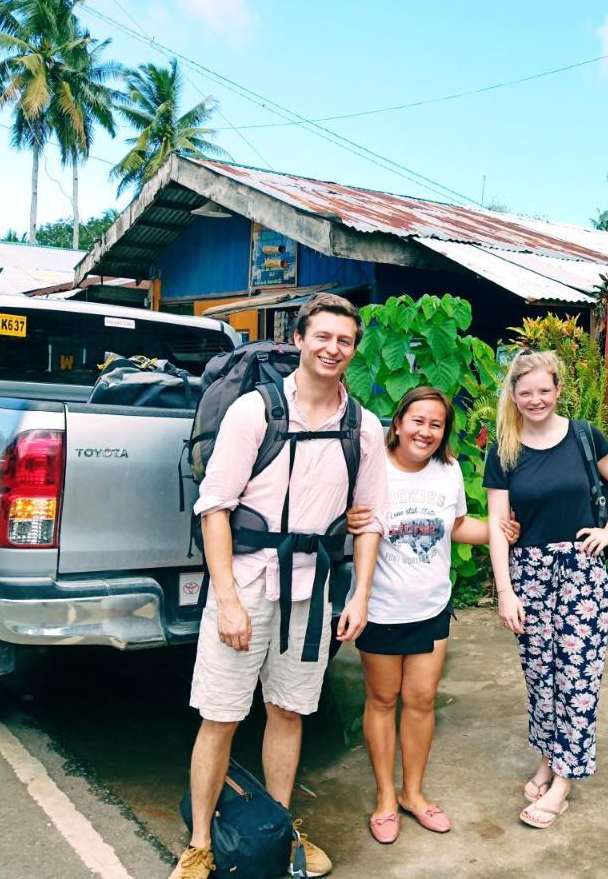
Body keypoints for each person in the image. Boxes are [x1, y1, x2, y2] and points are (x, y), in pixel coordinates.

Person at [171, 294, 388, 879]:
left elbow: (369, 518)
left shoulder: (362, 427)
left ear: (353, 348)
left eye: (344, 340)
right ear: (298, 339)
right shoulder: (254, 411)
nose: (332, 348)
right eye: (322, 336)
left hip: (310, 592)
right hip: (244, 584)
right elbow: (214, 508)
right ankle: (198, 845)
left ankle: (278, 831)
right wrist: (229, 602)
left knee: (288, 712)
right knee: (220, 715)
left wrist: (360, 594)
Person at [345, 387, 520, 844]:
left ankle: (413, 793)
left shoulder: (448, 471)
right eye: (418, 420)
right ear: (399, 422)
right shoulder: (373, 468)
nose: (425, 431)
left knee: (422, 701)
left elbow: (457, 525)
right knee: (383, 701)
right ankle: (385, 797)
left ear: (444, 433)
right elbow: (355, 523)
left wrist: (500, 531)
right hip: (382, 609)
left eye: (436, 424)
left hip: (431, 608)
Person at [483, 350, 608, 829]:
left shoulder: (585, 436)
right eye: (525, 392)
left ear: (558, 390)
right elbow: (496, 524)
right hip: (527, 571)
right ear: (513, 395)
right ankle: (548, 758)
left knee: (578, 678)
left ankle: (564, 781)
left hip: (581, 571)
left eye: (544, 390)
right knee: (540, 677)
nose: (535, 400)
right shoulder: (504, 448)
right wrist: (505, 591)